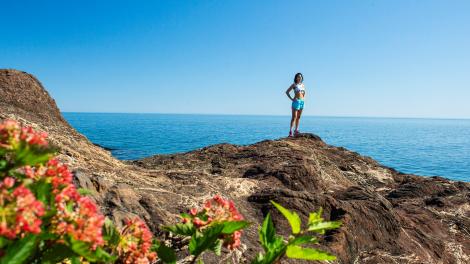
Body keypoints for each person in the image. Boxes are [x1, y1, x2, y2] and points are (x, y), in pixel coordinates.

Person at [285, 73, 305, 137]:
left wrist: (303, 99)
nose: (299, 78)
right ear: (296, 78)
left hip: (302, 102)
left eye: (300, 77)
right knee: (294, 117)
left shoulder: (303, 85)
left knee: (299, 117)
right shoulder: (294, 85)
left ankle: (296, 130)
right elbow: (287, 92)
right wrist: (292, 99)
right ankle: (290, 132)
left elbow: (304, 93)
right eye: (298, 77)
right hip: (296, 101)